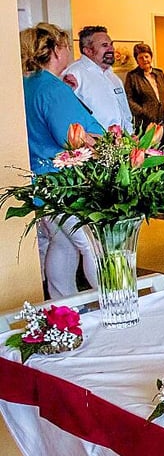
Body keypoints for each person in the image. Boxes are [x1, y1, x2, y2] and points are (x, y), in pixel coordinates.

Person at [19, 23, 104, 297]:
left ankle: (63, 307)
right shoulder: (52, 89)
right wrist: (106, 143)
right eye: (66, 45)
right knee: (93, 245)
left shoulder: (27, 84)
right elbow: (71, 137)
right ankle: (111, 303)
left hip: (40, 183)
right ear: (56, 50)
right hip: (62, 183)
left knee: (63, 244)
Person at [61, 25, 134, 134]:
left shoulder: (113, 77)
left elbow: (125, 114)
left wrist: (131, 135)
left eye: (111, 44)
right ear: (88, 51)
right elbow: (67, 116)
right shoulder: (73, 74)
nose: (111, 49)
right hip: (94, 146)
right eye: (105, 45)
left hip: (122, 145)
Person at [123, 43, 164, 148]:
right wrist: (144, 112)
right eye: (141, 58)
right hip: (145, 124)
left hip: (163, 122)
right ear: (137, 60)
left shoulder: (159, 73)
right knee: (148, 154)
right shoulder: (132, 76)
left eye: (147, 56)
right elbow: (128, 99)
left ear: (151, 57)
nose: (145, 59)